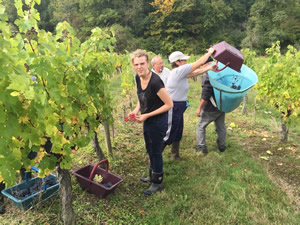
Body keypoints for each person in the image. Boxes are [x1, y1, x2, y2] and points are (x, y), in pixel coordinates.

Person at [128, 49, 173, 196]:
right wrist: (136, 111)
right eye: (136, 64)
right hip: (147, 119)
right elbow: (141, 99)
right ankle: (152, 174)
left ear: (148, 63)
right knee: (149, 148)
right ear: (133, 66)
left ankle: (157, 182)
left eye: (142, 63)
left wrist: (147, 115)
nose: (139, 67)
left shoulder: (155, 82)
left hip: (158, 121)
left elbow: (169, 104)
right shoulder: (137, 78)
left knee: (156, 151)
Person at [163, 48, 217, 160]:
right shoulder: (178, 71)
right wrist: (210, 53)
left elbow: (194, 73)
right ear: (177, 62)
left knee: (178, 131)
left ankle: (175, 155)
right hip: (173, 106)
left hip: (179, 106)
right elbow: (199, 63)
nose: (185, 62)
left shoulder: (179, 73)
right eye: (183, 60)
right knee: (170, 133)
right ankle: (155, 155)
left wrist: (208, 68)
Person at [195, 57, 226, 155]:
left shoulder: (208, 76)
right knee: (221, 127)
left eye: (201, 65)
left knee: (200, 126)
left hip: (210, 107)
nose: (201, 67)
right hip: (222, 105)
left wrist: (199, 108)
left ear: (206, 64)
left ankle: (202, 148)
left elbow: (205, 96)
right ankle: (222, 146)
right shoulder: (220, 72)